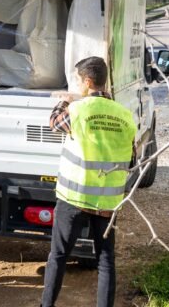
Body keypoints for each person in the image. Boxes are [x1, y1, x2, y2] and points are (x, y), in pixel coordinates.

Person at [40, 56, 136, 307]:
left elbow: (53, 123)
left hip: (75, 198)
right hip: (108, 202)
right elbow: (133, 159)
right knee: (105, 261)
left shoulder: (79, 110)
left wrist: (65, 100)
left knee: (59, 255)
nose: (77, 85)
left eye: (78, 81)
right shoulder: (125, 116)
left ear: (88, 81)